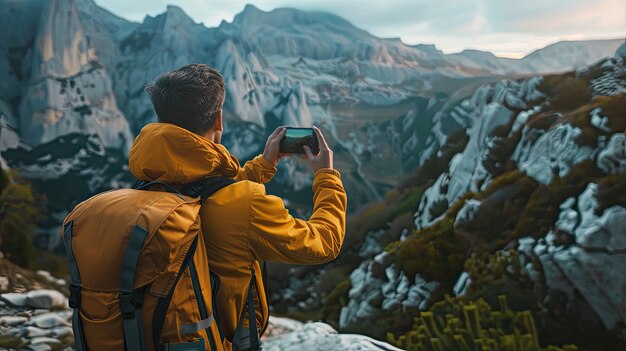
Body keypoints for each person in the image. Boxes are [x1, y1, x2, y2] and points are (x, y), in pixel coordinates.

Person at [128, 63, 347, 350]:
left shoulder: (145, 188)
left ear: (160, 119)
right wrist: (326, 177)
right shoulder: (245, 205)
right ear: (219, 119)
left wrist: (265, 165)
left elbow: (206, 191)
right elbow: (324, 243)